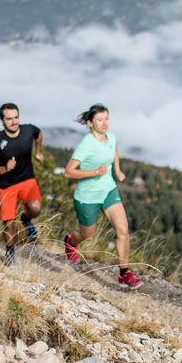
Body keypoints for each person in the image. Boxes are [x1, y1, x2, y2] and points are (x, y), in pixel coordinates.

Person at [63, 104, 141, 288]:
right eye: (100, 120)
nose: (105, 123)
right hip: (87, 197)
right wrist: (95, 171)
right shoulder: (86, 145)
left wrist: (117, 169)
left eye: (107, 118)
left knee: (122, 229)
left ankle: (124, 273)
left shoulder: (111, 138)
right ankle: (70, 241)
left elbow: (113, 149)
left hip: (108, 190)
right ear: (90, 123)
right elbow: (68, 172)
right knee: (86, 234)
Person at [0, 103, 44, 265]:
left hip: (27, 179)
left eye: (16, 117)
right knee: (9, 225)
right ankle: (10, 252)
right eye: (9, 119)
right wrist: (4, 168)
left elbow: (38, 134)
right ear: (2, 121)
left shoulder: (28, 130)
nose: (14, 122)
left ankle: (26, 218)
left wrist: (38, 151)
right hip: (6, 185)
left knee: (35, 208)